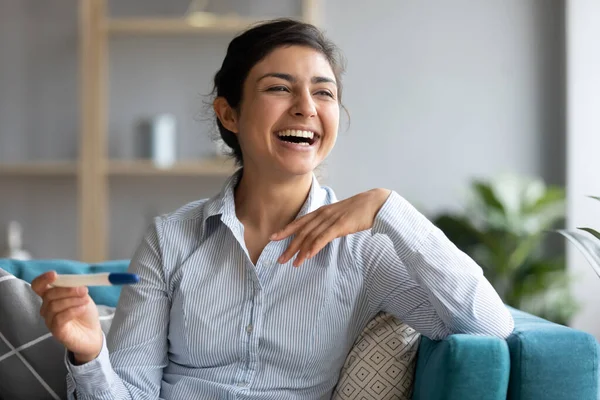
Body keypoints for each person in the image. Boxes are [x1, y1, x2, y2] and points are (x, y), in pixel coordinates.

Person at [32, 18, 514, 400]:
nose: (306, 107)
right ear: (229, 113)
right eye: (279, 88)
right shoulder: (171, 238)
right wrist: (90, 354)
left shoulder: (366, 249)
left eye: (324, 92)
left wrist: (387, 206)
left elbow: (492, 326)